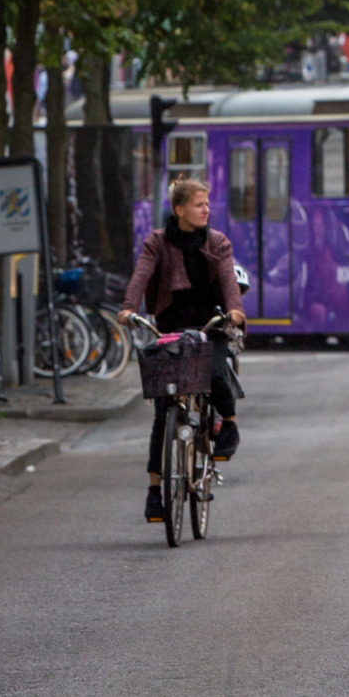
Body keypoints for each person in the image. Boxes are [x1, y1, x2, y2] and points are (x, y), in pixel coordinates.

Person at [122, 178, 245, 523]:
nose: (207, 210)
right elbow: (141, 275)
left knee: (217, 370)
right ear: (179, 210)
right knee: (164, 411)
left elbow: (228, 281)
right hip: (170, 327)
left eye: (207, 204)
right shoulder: (157, 243)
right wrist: (129, 308)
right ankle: (154, 491)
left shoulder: (217, 242)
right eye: (198, 204)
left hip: (210, 324)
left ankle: (229, 423)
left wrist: (234, 311)